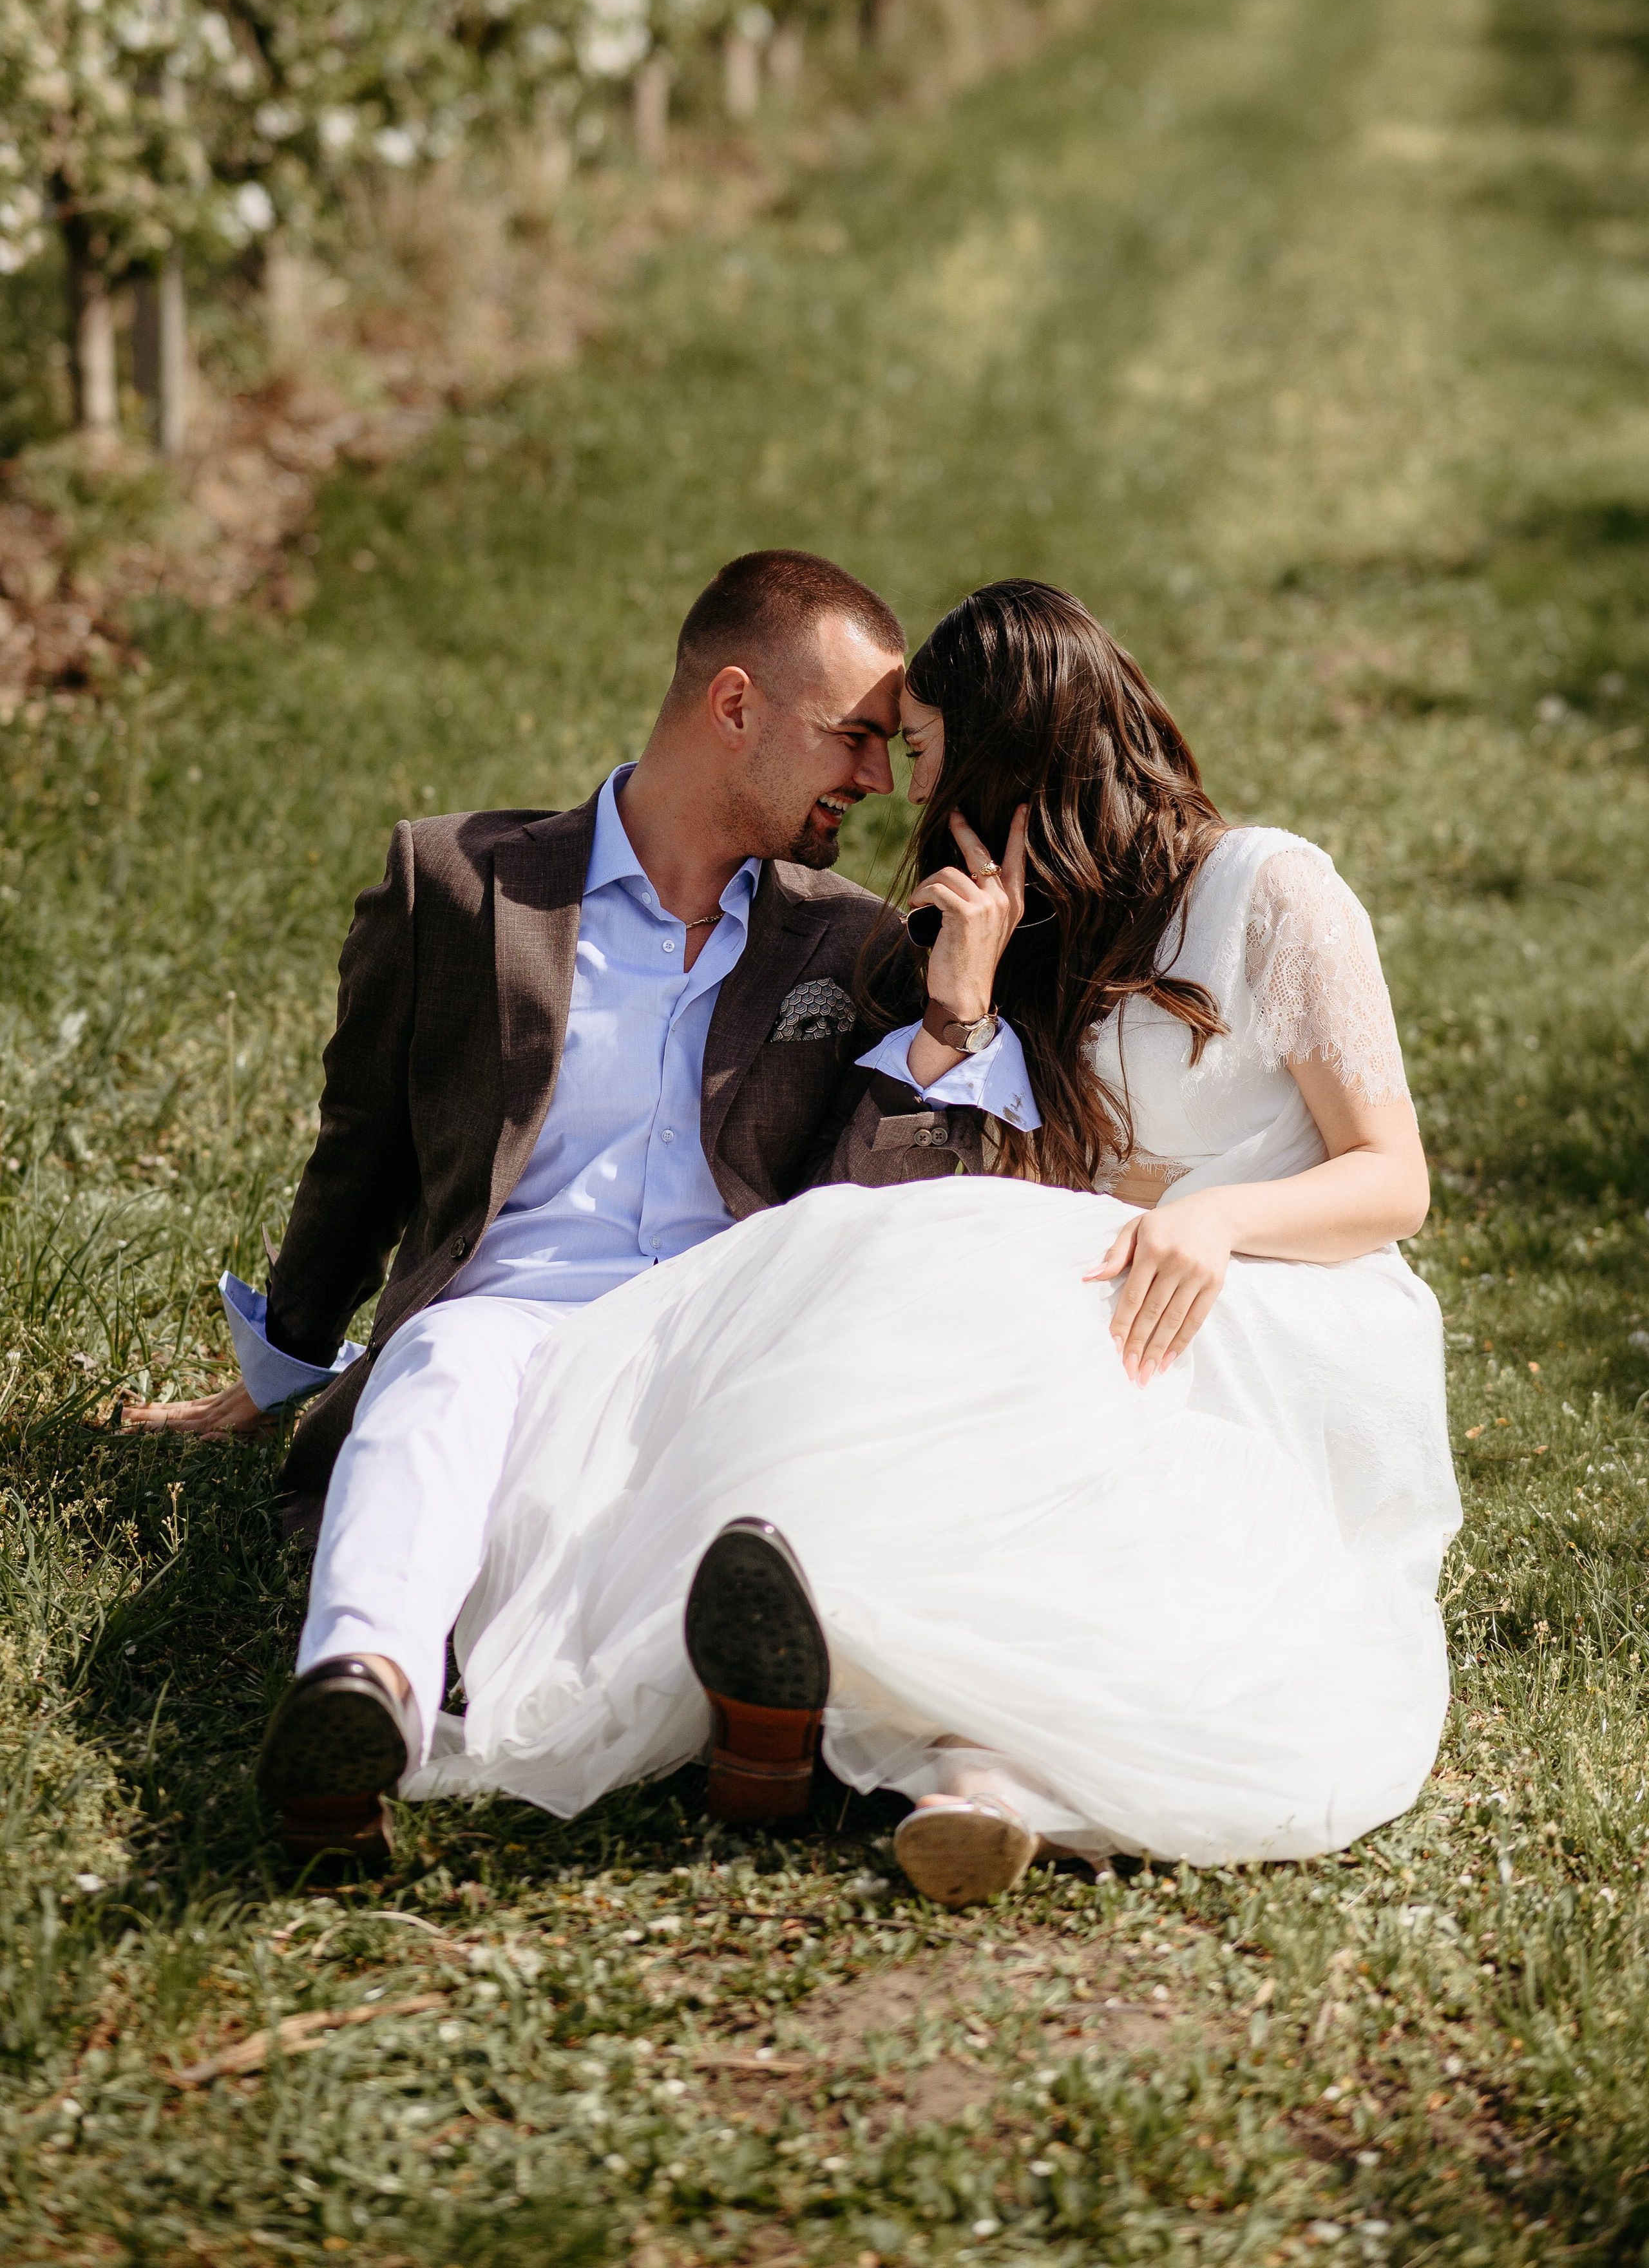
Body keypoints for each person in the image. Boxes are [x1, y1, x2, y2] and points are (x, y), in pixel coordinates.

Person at [406, 578, 1461, 1907]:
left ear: (1005, 744)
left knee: (1042, 1390)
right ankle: (863, 1698)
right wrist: (964, 1004)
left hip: (1284, 1295)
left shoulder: (1269, 886)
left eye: (916, 747)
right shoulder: (1020, 937)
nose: (901, 790)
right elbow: (968, 1192)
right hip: (1096, 1289)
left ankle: (927, 1741)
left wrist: (1216, 1221)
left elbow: (1392, 1182)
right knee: (892, 1266)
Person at [129, 549, 1009, 1863]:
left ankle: (761, 1718)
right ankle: (362, 1695)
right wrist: (277, 1371)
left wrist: (951, 1020)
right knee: (429, 1380)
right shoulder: (459, 883)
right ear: (733, 707)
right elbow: (359, 1149)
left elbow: (859, 1210)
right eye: (856, 739)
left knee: (772, 1457)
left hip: (721, 1319)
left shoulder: (845, 941)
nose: (878, 781)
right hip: (506, 1315)